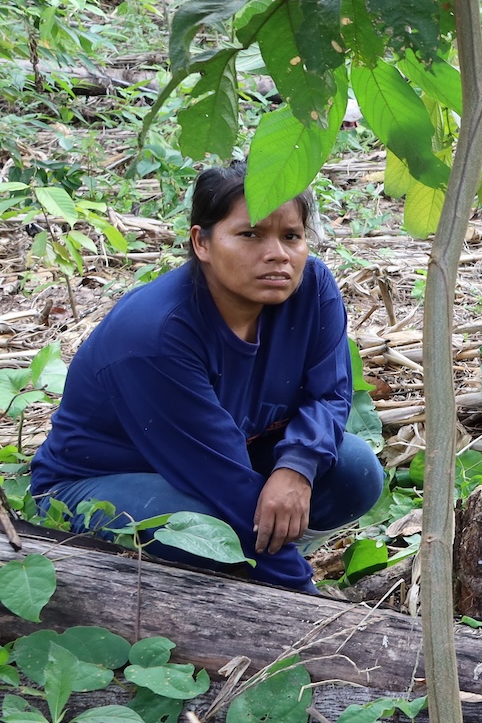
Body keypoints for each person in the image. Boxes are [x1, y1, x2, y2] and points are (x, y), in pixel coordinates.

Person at [31, 162, 384, 593]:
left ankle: (255, 559)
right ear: (202, 242)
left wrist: (296, 467)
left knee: (355, 470)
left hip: (230, 457)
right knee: (204, 527)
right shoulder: (156, 334)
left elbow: (330, 395)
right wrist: (308, 604)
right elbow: (224, 483)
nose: (277, 254)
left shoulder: (311, 288)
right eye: (250, 234)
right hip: (97, 482)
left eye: (291, 236)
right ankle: (251, 572)